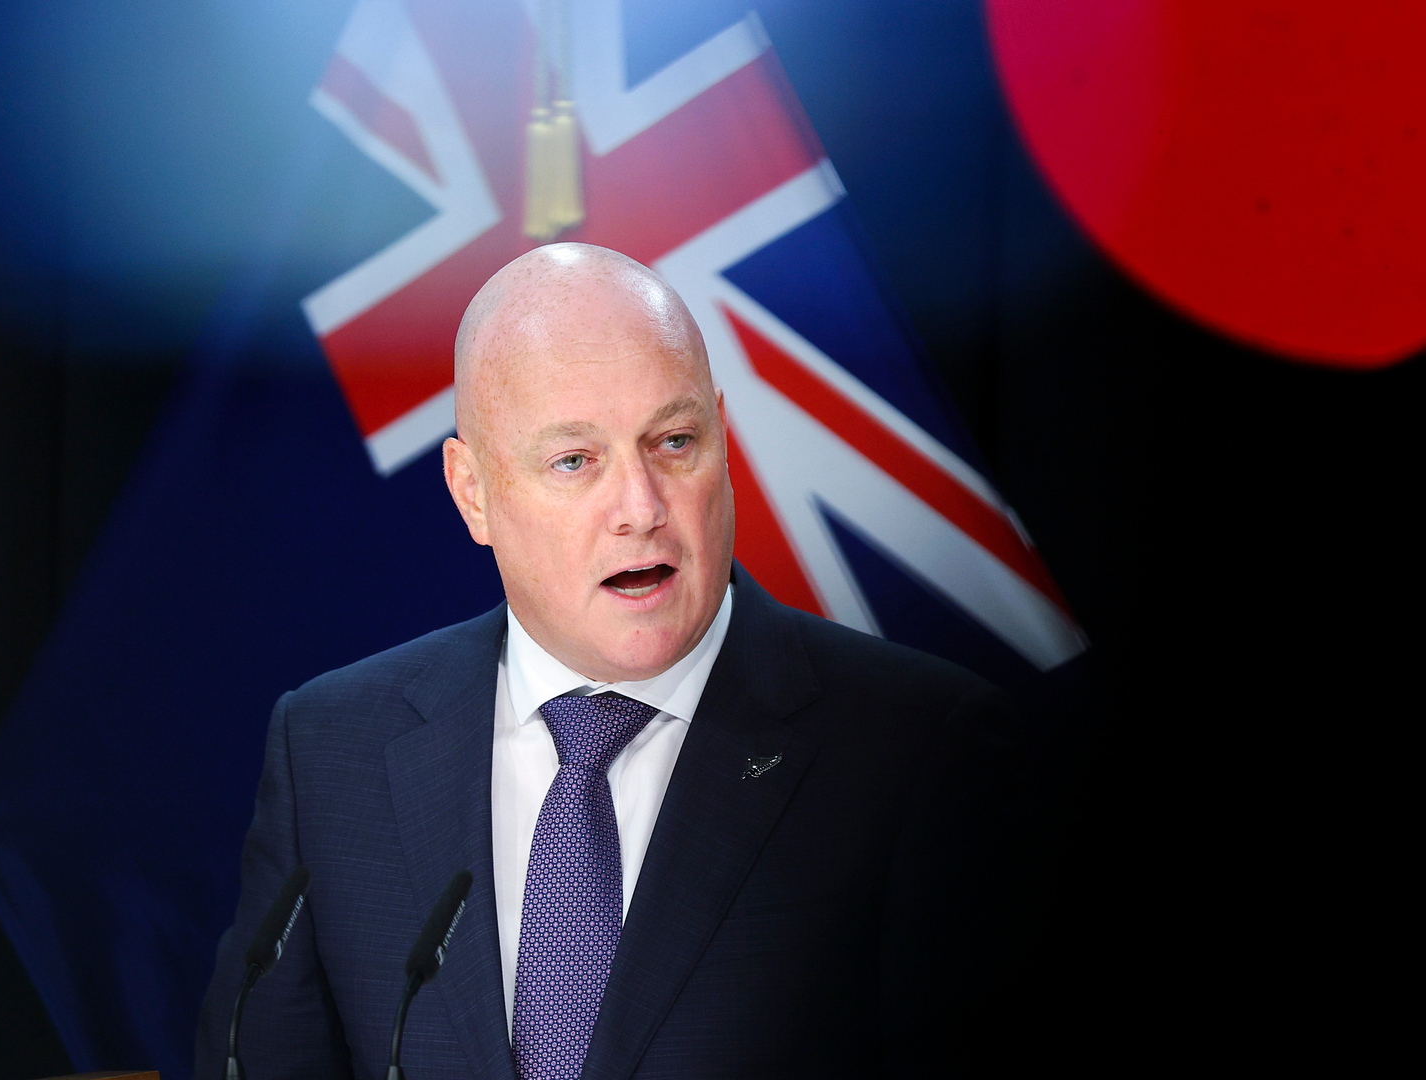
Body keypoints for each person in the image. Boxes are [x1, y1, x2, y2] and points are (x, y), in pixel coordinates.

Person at [195, 244, 1030, 1079]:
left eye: (673, 442)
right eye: (574, 460)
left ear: (722, 443)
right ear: (473, 492)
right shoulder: (330, 749)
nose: (641, 508)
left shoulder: (916, 750)